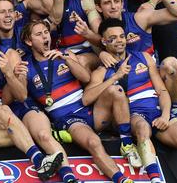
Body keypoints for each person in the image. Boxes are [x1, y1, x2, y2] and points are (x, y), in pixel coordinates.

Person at [21, 19, 139, 183]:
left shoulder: (64, 54)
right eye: (39, 34)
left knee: (116, 91)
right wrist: (13, 75)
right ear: (29, 41)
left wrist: (67, 59)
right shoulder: (26, 67)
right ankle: (122, 179)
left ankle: (126, 143)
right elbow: (15, 96)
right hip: (69, 118)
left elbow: (85, 77)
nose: (44, 37)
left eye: (46, 33)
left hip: (90, 110)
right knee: (93, 142)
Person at [92, 18, 177, 183]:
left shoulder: (143, 57)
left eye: (121, 36)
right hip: (135, 115)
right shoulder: (101, 71)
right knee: (143, 129)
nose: (119, 41)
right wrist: (114, 77)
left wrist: (165, 115)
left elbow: (162, 91)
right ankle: (155, 179)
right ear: (104, 41)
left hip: (158, 113)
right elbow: (87, 98)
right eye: (113, 38)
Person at [0, 13, 64, 181]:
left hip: (12, 107)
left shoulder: (10, 55)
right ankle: (33, 144)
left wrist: (8, 73)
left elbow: (22, 95)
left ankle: (37, 156)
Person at [94, 0, 177, 118]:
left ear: (122, 4)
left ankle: (174, 113)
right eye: (107, 3)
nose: (113, 6)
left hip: (148, 74)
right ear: (99, 7)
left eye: (116, 1)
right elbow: (93, 44)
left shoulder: (138, 19)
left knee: (171, 64)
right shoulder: (98, 27)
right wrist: (100, 53)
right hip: (119, 80)